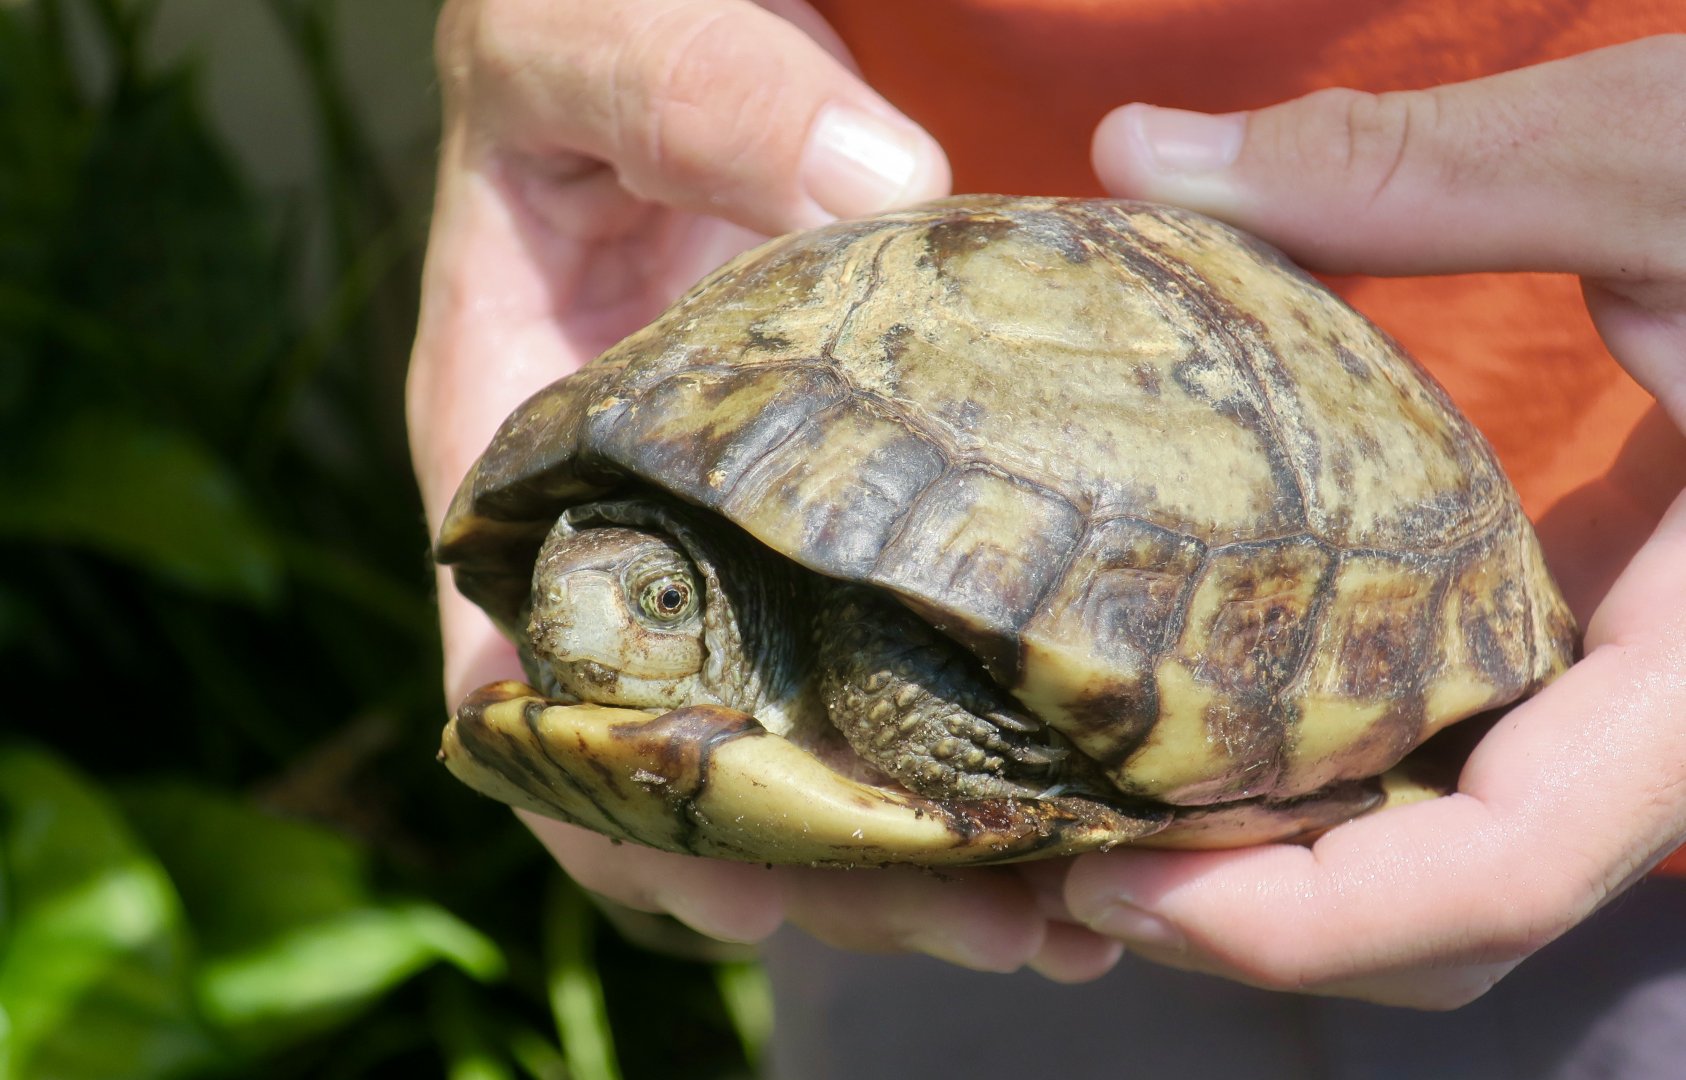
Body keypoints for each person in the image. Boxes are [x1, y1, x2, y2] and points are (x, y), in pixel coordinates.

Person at [409, 0, 1686, 1071]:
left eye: (662, 600)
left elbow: (886, 608)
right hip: (887, 903)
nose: (580, 619)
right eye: (591, 580)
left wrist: (946, 716)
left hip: (1613, 733)